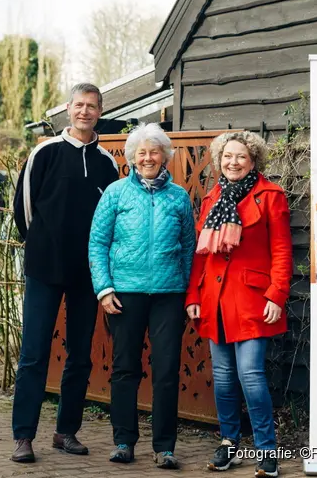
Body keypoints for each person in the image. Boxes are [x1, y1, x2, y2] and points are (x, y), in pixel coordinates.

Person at [10, 83, 119, 463]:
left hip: (87, 273)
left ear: (99, 111)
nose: (85, 112)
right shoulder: (44, 152)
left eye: (92, 106)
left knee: (80, 356)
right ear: (68, 109)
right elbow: (23, 208)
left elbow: (111, 220)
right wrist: (41, 243)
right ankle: (23, 436)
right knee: (34, 354)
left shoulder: (108, 162)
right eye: (79, 105)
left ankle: (65, 432)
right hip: (43, 268)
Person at [88, 123, 195, 469]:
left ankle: (165, 447)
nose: (148, 157)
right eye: (141, 152)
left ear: (165, 155)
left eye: (154, 151)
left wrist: (189, 292)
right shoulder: (116, 194)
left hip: (169, 294)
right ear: (132, 157)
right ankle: (123, 441)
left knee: (165, 370)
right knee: (124, 369)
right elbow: (97, 243)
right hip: (125, 294)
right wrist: (104, 289)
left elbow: (190, 250)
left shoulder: (178, 197)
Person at [185, 131, 292, 478]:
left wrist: (277, 294)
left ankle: (266, 450)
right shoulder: (212, 198)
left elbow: (281, 250)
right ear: (219, 160)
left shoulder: (270, 196)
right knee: (224, 378)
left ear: (253, 161)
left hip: (252, 299)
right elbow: (200, 255)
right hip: (215, 300)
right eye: (227, 156)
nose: (233, 162)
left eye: (241, 157)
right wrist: (193, 296)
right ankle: (229, 444)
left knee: (251, 375)